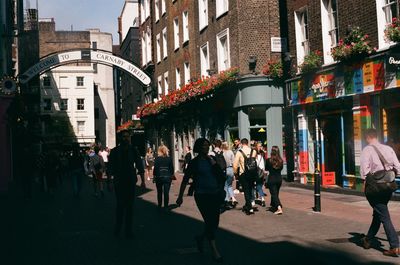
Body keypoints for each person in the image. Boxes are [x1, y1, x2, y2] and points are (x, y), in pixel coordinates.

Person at [176, 138, 225, 263]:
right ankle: (215, 251)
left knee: (215, 222)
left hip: (214, 194)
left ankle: (201, 238)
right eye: (203, 146)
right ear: (198, 148)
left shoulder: (212, 160)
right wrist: (180, 196)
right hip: (201, 195)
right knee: (209, 220)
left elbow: (221, 176)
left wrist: (213, 163)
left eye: (207, 146)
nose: (206, 148)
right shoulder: (194, 162)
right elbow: (185, 179)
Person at [360, 128, 400, 257]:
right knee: (379, 212)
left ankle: (394, 246)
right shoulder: (388, 149)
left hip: (374, 188)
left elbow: (364, 171)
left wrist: (365, 182)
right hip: (388, 187)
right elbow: (398, 167)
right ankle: (368, 239)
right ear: (376, 136)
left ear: (367, 138)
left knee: (383, 215)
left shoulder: (367, 150)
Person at [109, 130, 145, 239]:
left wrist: (143, 181)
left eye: (127, 137)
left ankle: (128, 230)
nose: (126, 138)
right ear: (120, 138)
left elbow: (139, 165)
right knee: (120, 205)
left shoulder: (133, 150)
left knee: (130, 206)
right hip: (119, 180)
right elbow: (110, 167)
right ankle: (118, 228)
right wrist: (109, 181)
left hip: (130, 181)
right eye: (124, 136)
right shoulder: (115, 151)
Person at [233, 138, 257, 215]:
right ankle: (248, 204)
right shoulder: (253, 151)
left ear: (241, 144)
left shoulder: (239, 152)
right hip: (252, 173)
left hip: (243, 173)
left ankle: (249, 208)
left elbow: (235, 165)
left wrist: (235, 173)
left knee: (246, 190)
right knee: (251, 189)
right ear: (247, 143)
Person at [153, 145, 174, 211]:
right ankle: (166, 207)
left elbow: (155, 169)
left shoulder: (157, 159)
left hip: (159, 177)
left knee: (159, 192)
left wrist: (154, 176)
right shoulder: (169, 158)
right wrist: (171, 175)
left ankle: (159, 205)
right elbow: (172, 169)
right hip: (167, 177)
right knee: (166, 192)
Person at [265, 146, 284, 215]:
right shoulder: (281, 160)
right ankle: (274, 206)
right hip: (279, 179)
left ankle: (279, 208)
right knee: (276, 193)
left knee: (274, 194)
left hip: (272, 179)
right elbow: (281, 168)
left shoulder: (268, 160)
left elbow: (266, 169)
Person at [221, 141, 238, 207]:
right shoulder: (230, 152)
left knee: (225, 186)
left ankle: (227, 200)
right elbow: (234, 162)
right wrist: (234, 171)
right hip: (231, 169)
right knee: (230, 185)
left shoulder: (222, 153)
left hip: (225, 170)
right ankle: (233, 198)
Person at [254, 142, 267, 207]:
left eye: (260, 146)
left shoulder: (258, 154)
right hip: (261, 172)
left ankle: (262, 198)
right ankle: (260, 197)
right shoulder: (260, 154)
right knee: (259, 186)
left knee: (258, 186)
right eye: (259, 146)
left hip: (258, 172)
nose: (260, 147)